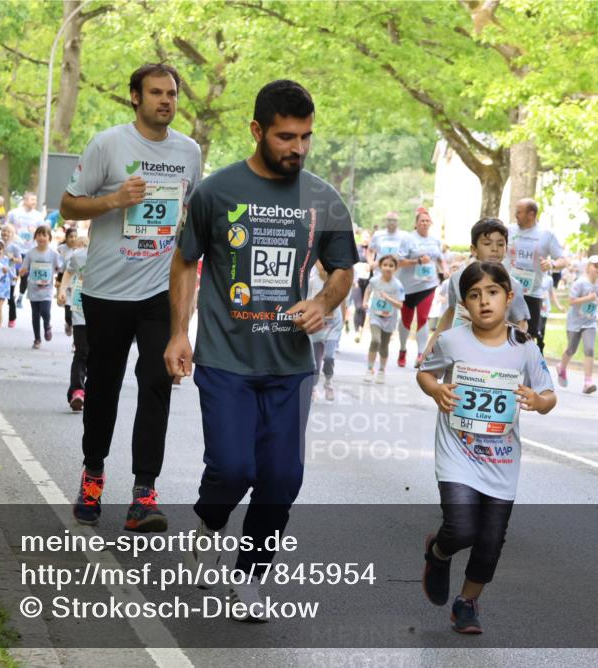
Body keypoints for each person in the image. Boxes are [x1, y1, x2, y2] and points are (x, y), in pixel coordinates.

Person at [165, 79, 357, 621]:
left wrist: (324, 300)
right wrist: (179, 332)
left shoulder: (322, 198)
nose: (297, 147)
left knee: (281, 479)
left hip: (292, 365)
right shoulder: (216, 192)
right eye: (285, 136)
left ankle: (249, 576)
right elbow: (185, 261)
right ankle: (207, 523)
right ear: (257, 131)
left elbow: (342, 270)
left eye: (305, 137)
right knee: (231, 468)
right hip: (226, 358)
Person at [61, 63, 202, 532]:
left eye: (172, 94)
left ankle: (144, 493)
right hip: (106, 291)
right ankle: (93, 476)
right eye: (157, 93)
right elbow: (68, 204)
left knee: (156, 384)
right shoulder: (108, 144)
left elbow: (191, 223)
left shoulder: (189, 151)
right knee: (102, 387)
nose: (166, 101)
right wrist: (113, 200)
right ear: (135, 98)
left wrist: (188, 303)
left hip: (160, 291)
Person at [417, 261, 556, 634]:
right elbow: (425, 372)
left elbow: (548, 394)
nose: (484, 302)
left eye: (492, 292)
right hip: (457, 454)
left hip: (502, 460)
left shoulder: (524, 346)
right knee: (462, 528)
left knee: (490, 543)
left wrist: (537, 401)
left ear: (509, 298)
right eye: (474, 295)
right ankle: (440, 552)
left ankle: (467, 602)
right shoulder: (451, 341)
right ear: (464, 304)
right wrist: (436, 389)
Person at [425, 219, 530, 358]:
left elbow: (521, 323)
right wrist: (429, 348)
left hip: (494, 355)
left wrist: (521, 354)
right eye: (487, 244)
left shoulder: (512, 285)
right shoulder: (457, 279)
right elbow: (450, 313)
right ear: (473, 250)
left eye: (500, 244)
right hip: (459, 353)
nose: (494, 249)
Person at [507, 198, 567, 337]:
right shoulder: (509, 230)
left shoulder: (546, 234)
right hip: (507, 290)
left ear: (531, 214)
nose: (516, 215)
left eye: (519, 212)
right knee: (504, 331)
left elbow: (563, 260)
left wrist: (552, 264)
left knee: (527, 336)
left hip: (532, 293)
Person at [397, 208, 446, 368]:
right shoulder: (408, 239)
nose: (424, 223)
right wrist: (417, 261)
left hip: (428, 284)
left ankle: (420, 354)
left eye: (427, 221)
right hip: (408, 287)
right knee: (406, 320)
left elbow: (440, 258)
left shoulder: (435, 241)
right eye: (421, 221)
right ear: (416, 224)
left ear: (430, 223)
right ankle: (403, 350)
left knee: (423, 318)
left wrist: (444, 268)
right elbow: (399, 261)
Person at [558, 254, 598, 393]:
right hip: (575, 322)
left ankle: (588, 382)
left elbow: (594, 300)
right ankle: (561, 368)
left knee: (589, 349)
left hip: (590, 322)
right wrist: (588, 298)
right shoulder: (580, 282)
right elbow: (571, 301)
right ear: (588, 267)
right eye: (596, 266)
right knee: (571, 349)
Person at [58, 236, 90, 411]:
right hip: (80, 309)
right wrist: (62, 289)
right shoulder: (79, 256)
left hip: (104, 312)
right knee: (82, 351)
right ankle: (77, 391)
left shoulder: (114, 255)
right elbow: (69, 272)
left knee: (98, 355)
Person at [361, 254, 404, 384]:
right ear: (380, 267)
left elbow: (400, 305)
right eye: (385, 265)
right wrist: (365, 301)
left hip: (390, 319)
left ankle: (381, 371)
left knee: (384, 346)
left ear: (395, 268)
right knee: (375, 340)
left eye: (391, 266)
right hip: (375, 316)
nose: (388, 268)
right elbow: (368, 290)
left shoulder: (397, 285)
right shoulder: (375, 281)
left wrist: (388, 298)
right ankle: (369, 369)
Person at [19, 225, 63, 349]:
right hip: (33, 288)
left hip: (47, 289)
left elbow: (59, 268)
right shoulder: (30, 253)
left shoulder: (53, 254)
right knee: (35, 314)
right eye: (39, 234)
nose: (41, 237)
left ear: (49, 238)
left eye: (44, 235)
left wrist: (59, 272)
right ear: (35, 237)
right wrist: (22, 271)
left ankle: (47, 325)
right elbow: (24, 267)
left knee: (45, 311)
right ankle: (37, 339)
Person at [309, 261, 343, 401]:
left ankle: (328, 382)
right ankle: (313, 387)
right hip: (317, 325)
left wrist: (344, 318)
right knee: (315, 362)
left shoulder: (338, 280)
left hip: (333, 325)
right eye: (319, 260)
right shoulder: (312, 282)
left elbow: (343, 299)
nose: (323, 263)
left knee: (329, 357)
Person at [8, 192, 46, 307]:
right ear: (25, 200)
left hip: (29, 250)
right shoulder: (14, 213)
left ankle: (20, 297)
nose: (34, 202)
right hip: (15, 249)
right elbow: (7, 227)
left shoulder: (38, 216)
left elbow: (42, 232)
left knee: (24, 276)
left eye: (35, 200)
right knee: (12, 273)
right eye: (32, 199)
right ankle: (10, 296)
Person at [56, 226, 79, 336]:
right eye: (70, 237)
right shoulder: (62, 249)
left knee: (77, 313)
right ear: (66, 237)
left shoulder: (81, 249)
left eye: (75, 237)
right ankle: (68, 323)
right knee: (68, 313)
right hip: (66, 283)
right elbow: (61, 267)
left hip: (78, 285)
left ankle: (76, 336)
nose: (73, 239)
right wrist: (59, 281)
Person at [0, 223, 23, 328]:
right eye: (4, 231)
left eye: (8, 231)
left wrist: (12, 258)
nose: (5, 233)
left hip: (11, 276)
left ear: (12, 235)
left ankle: (12, 319)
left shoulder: (15, 247)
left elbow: (20, 261)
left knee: (10, 298)